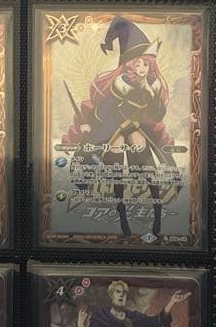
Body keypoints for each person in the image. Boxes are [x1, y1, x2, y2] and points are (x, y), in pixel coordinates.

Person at [61, 17, 172, 238]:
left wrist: (151, 94)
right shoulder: (121, 83)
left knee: (147, 164)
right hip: (114, 126)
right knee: (115, 167)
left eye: (145, 64)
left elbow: (158, 115)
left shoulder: (154, 85)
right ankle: (122, 215)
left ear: (151, 64)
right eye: (137, 64)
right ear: (129, 65)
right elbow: (104, 110)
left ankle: (157, 211)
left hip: (137, 126)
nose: (141, 68)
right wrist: (91, 123)